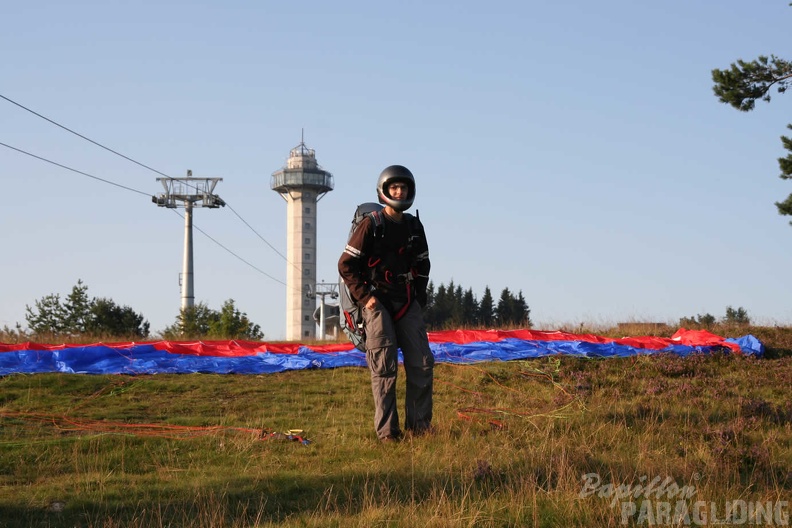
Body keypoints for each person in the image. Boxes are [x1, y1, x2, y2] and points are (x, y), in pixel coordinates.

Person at [338, 165, 434, 442]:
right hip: (377, 303)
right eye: (394, 188)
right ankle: (388, 433)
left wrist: (417, 298)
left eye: (403, 188)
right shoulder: (371, 225)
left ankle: (420, 428)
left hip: (406, 301)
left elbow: (423, 264)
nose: (399, 192)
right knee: (384, 367)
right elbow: (346, 264)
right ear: (384, 191)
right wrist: (365, 298)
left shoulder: (414, 227)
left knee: (422, 363)